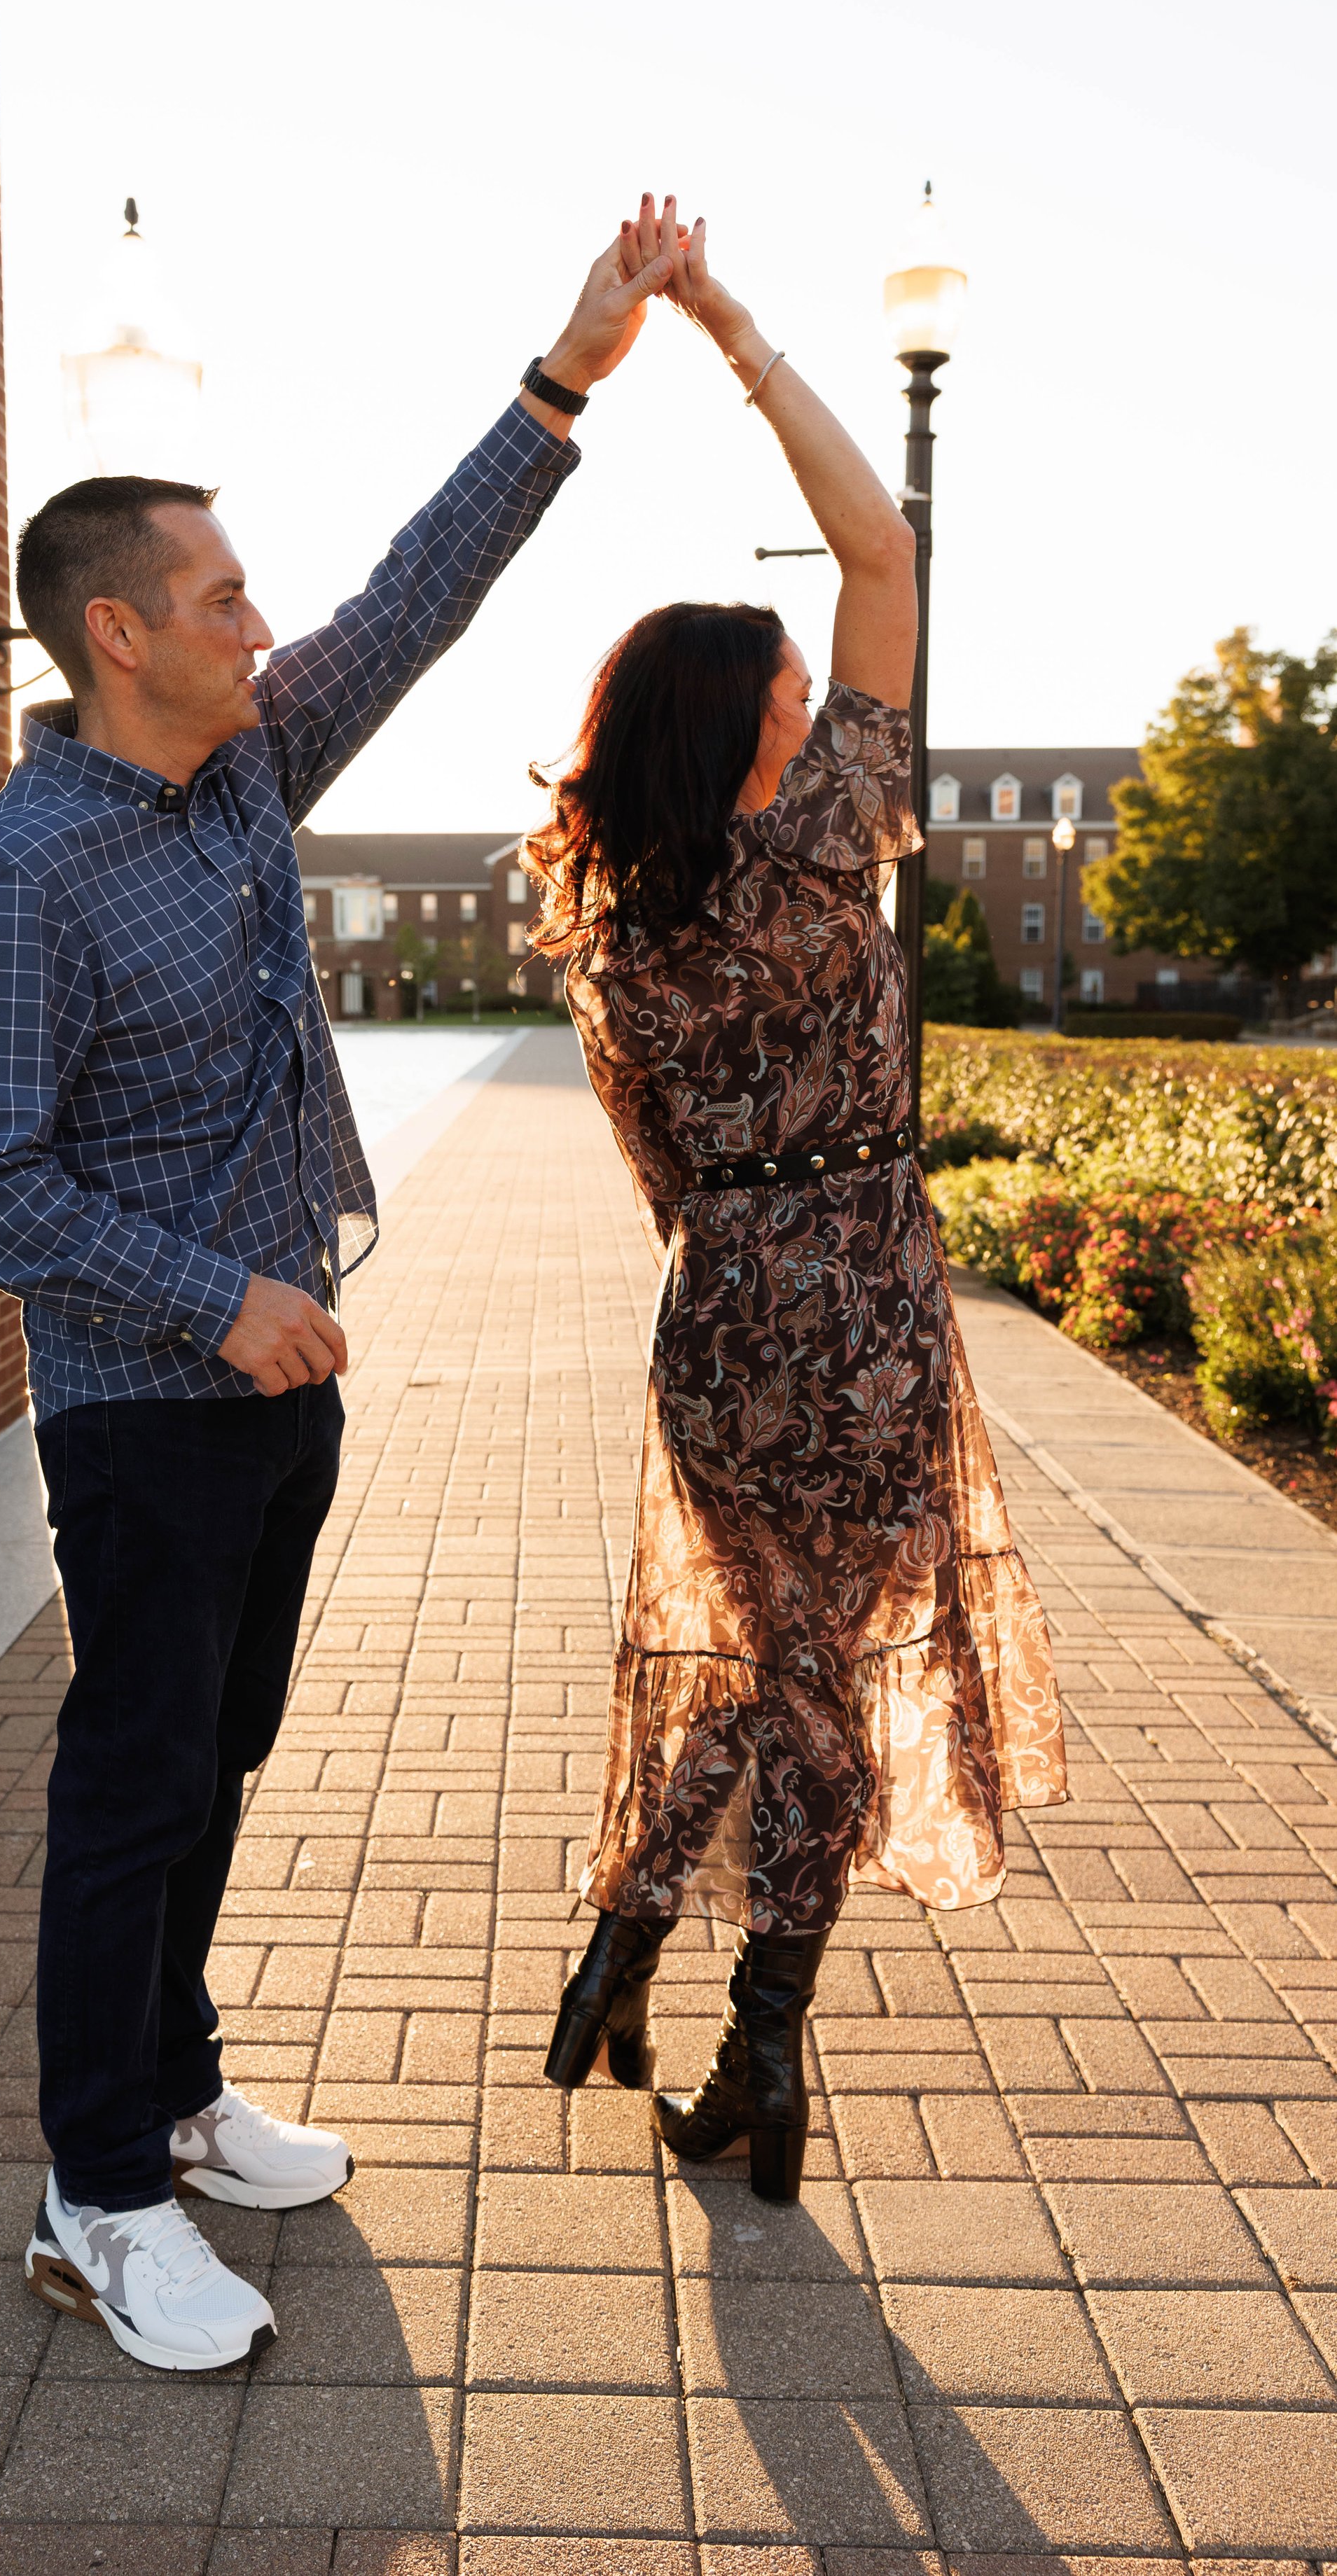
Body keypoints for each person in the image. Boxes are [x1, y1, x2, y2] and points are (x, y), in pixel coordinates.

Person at [0, 221, 674, 2372]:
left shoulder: (236, 767)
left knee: (212, 1761)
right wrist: (210, 1298)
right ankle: (97, 2196)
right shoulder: (22, 873)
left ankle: (175, 2090)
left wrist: (561, 380)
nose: (265, 621)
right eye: (225, 596)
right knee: (133, 1778)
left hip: (273, 1383)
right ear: (118, 633)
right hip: (144, 1410)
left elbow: (418, 598)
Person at [529, 200, 1067, 2202]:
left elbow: (648, 1175)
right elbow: (881, 546)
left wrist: (733, 1249)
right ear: (761, 720)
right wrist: (736, 326)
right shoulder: (833, 848)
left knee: (771, 1663)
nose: (805, 686)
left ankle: (630, 1943)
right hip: (854, 1302)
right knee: (825, 1670)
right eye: (783, 680)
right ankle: (760, 2038)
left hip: (717, 1306)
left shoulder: (616, 931)